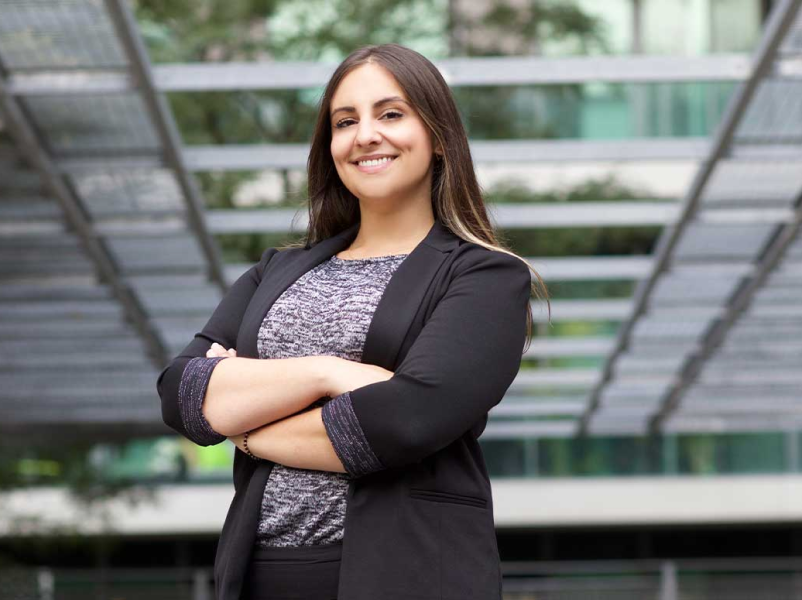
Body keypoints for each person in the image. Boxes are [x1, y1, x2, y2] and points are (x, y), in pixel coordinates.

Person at [157, 43, 549, 600]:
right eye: (346, 121)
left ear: (439, 137)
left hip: (405, 574)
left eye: (391, 114)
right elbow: (182, 395)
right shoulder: (279, 269)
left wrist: (243, 428)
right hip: (258, 574)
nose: (365, 134)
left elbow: (404, 421)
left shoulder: (485, 277)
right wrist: (326, 373)